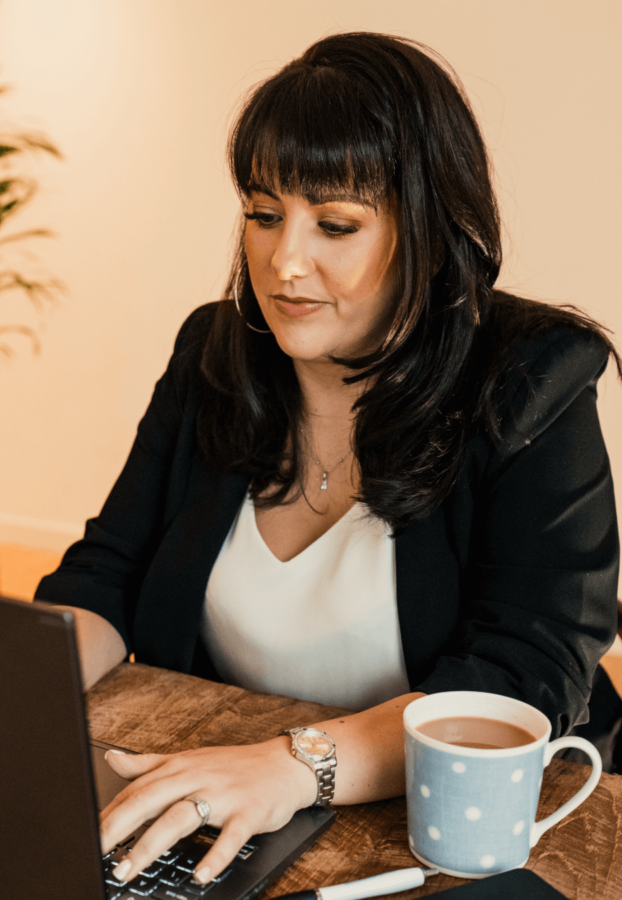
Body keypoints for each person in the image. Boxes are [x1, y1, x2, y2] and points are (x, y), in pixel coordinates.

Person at [36, 32, 619, 887]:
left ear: (427, 225)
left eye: (335, 224)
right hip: (237, 793)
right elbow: (106, 572)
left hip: (467, 830)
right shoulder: (216, 352)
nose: (285, 261)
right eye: (263, 215)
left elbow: (519, 680)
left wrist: (294, 765)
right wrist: (8, 704)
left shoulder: (530, 375)